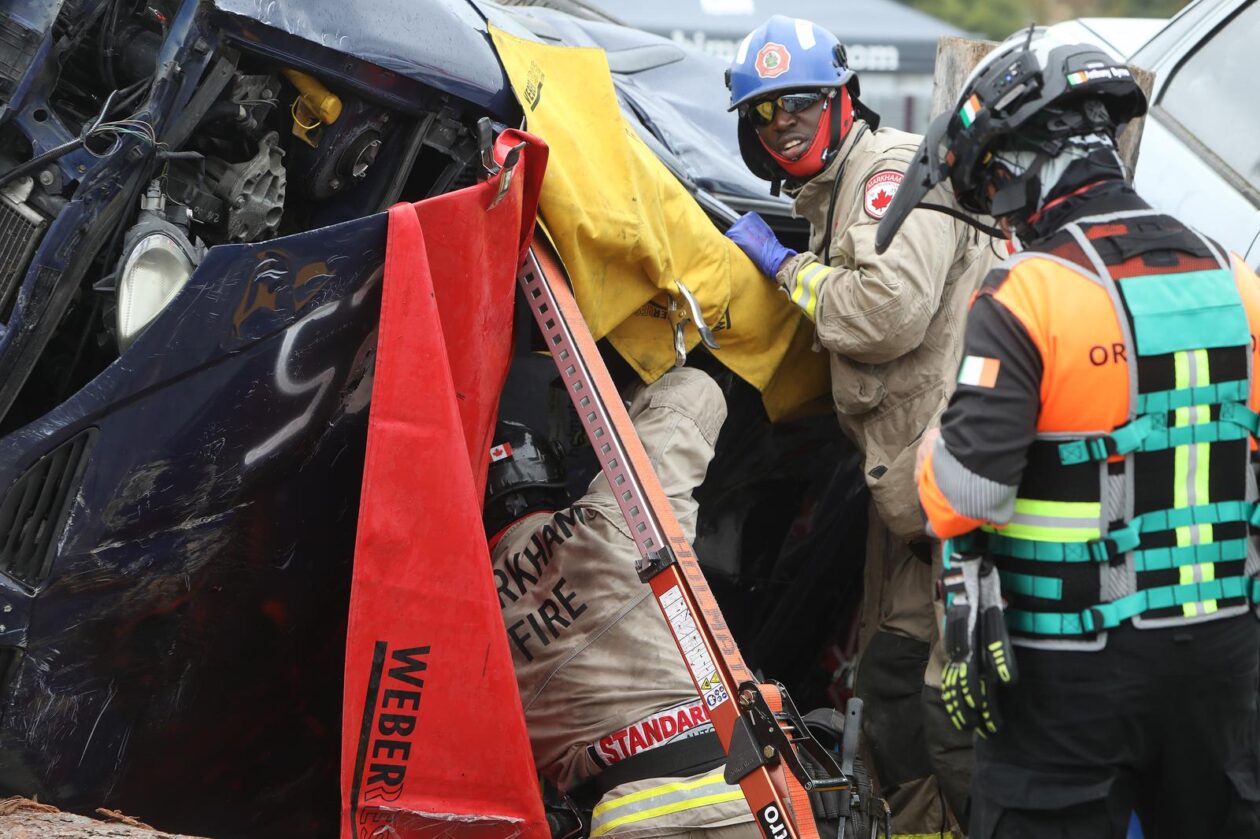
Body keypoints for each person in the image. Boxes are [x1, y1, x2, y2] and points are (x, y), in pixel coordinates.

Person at [885, 27, 1260, 838]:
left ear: (1025, 160)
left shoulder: (1031, 292)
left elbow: (969, 493)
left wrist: (926, 456)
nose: (998, 207)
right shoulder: (1237, 279)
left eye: (992, 179)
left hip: (1070, 677)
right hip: (1225, 667)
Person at [722, 15, 996, 835]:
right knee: (890, 701)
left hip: (959, 508)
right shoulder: (843, 187)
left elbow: (884, 312)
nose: (785, 125)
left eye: (801, 102)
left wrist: (784, 267)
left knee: (946, 726)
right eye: (766, 113)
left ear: (844, 100)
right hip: (911, 502)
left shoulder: (887, 174)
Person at [486, 367, 760, 839]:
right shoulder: (612, 515)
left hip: (626, 822)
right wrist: (627, 379)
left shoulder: (469, 633)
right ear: (553, 483)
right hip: (744, 790)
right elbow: (695, 395)